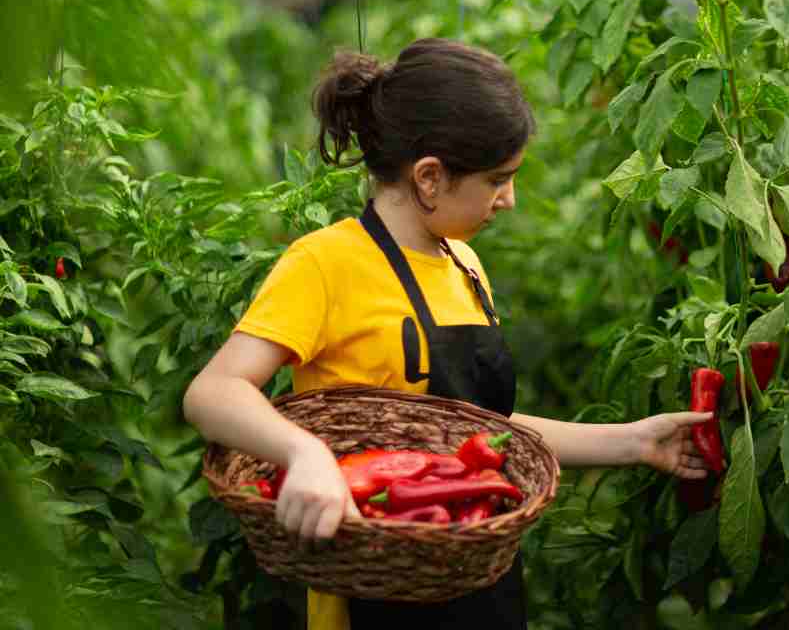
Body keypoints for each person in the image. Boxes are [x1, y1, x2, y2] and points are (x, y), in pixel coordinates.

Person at [182, 38, 715, 630]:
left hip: (479, 586)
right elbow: (214, 392)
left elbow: (478, 433)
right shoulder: (326, 264)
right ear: (430, 178)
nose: (509, 200)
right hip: (370, 596)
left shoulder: (464, 265)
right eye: (498, 179)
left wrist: (636, 442)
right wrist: (304, 451)